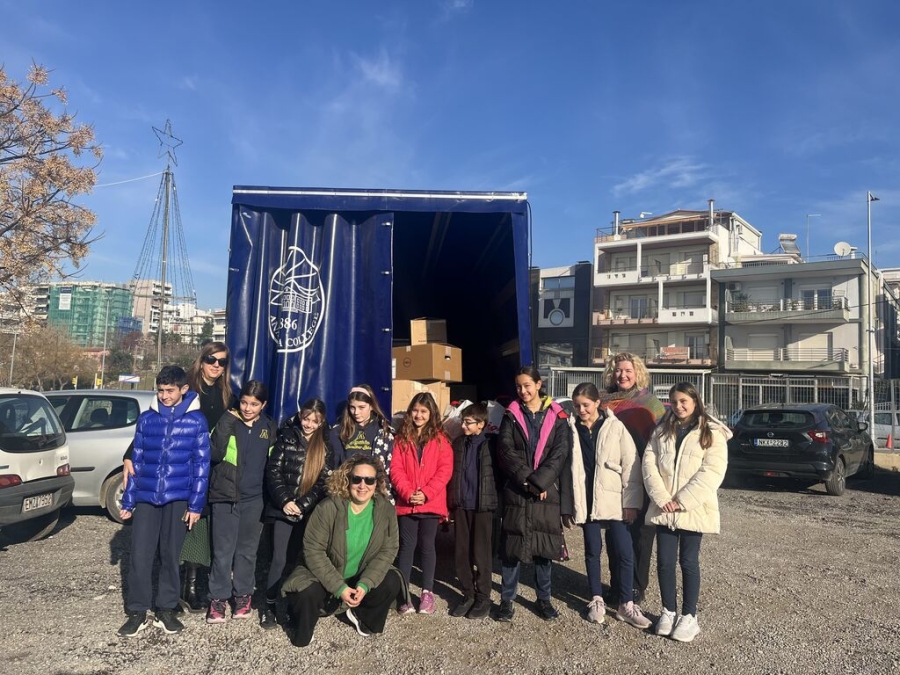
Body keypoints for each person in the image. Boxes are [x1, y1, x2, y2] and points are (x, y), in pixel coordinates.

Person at [122, 340, 234, 612]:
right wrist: (128, 456)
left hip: (204, 466)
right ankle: (176, 590)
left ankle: (191, 585)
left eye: (221, 362)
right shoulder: (186, 387)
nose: (216, 366)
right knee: (163, 542)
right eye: (211, 359)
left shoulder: (228, 394)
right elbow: (151, 428)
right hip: (175, 469)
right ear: (202, 360)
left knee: (197, 528)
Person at [117, 365, 211, 637]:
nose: (164, 396)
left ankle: (166, 609)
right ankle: (137, 610)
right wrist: (129, 501)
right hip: (147, 498)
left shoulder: (196, 421)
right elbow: (137, 461)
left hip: (178, 499)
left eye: (170, 391)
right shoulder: (147, 419)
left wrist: (195, 505)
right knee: (140, 556)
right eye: (160, 390)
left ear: (184, 389)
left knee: (170, 556)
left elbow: (201, 466)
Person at [281, 455, 409, 647]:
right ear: (347, 480)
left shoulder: (386, 511)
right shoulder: (328, 508)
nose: (362, 485)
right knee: (304, 591)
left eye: (369, 480)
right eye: (356, 479)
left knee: (391, 580)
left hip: (358, 576)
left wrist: (365, 584)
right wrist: (339, 588)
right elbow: (313, 551)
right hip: (325, 575)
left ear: (377, 483)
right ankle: (309, 618)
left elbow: (388, 549)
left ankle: (361, 615)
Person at [643, 382, 729, 643]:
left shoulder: (711, 432)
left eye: (684, 401)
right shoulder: (661, 430)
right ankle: (668, 611)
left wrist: (682, 500)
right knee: (665, 562)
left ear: (695, 401)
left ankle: (689, 617)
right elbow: (649, 463)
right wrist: (662, 497)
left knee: (688, 562)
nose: (678, 406)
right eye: (674, 401)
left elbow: (713, 471)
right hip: (665, 507)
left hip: (693, 508)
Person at [561, 382, 651, 629]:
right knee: (592, 551)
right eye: (577, 405)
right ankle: (596, 598)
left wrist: (631, 503)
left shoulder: (615, 427)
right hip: (586, 500)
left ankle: (626, 603)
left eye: (586, 405)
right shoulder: (569, 429)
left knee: (624, 552)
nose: (582, 410)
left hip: (614, 500)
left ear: (598, 403)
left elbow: (631, 465)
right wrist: (567, 506)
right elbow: (565, 471)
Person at [495, 366, 570, 623]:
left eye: (527, 385)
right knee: (512, 547)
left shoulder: (557, 416)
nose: (523, 391)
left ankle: (544, 599)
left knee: (544, 547)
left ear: (539, 384)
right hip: (519, 488)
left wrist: (541, 483)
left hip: (545, 491)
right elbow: (505, 450)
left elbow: (559, 454)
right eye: (518, 386)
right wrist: (528, 481)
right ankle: (507, 600)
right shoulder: (511, 414)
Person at [206, 380, 277, 624]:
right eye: (245, 402)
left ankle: (243, 596)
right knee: (222, 551)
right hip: (225, 497)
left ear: (263, 405)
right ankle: (217, 598)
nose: (248, 408)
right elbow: (214, 453)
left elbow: (272, 466)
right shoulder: (228, 421)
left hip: (254, 500)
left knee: (247, 552)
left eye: (254, 404)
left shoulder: (268, 427)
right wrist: (227, 419)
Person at [600, 352, 667, 606]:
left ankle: (637, 586)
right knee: (614, 535)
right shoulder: (603, 401)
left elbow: (661, 443)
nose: (623, 375)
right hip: (610, 479)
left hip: (641, 476)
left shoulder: (649, 403)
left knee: (640, 535)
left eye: (628, 370)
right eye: (618, 370)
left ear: (637, 373)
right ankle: (617, 584)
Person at [261, 398, 333, 629]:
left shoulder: (325, 445)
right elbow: (273, 471)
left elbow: (323, 481)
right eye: (305, 419)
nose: (308, 424)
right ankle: (269, 604)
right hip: (284, 510)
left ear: (321, 422)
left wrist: (303, 504)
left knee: (303, 560)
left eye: (314, 421)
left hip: (309, 512)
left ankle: (296, 604)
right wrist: (285, 501)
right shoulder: (287, 438)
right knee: (279, 558)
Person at [391, 393, 453, 615]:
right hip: (407, 503)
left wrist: (426, 493)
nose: (418, 415)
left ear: (431, 414)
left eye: (424, 411)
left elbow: (444, 470)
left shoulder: (440, 439)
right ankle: (403, 592)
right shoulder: (401, 438)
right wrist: (408, 492)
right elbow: (396, 468)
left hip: (430, 502)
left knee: (427, 546)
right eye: (415, 410)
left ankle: (427, 592)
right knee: (406, 547)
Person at [446, 402, 498, 620]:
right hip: (461, 505)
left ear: (481, 424)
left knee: (481, 552)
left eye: (469, 423)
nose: (464, 426)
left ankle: (483, 595)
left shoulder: (491, 445)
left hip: (482, 506)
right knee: (461, 551)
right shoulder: (458, 443)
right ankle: (468, 593)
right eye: (463, 421)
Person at [330, 384, 394, 475]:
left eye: (361, 407)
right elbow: (334, 463)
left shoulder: (382, 431)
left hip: (372, 484)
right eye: (353, 407)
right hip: (345, 484)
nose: (356, 412)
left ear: (371, 406)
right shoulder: (338, 431)